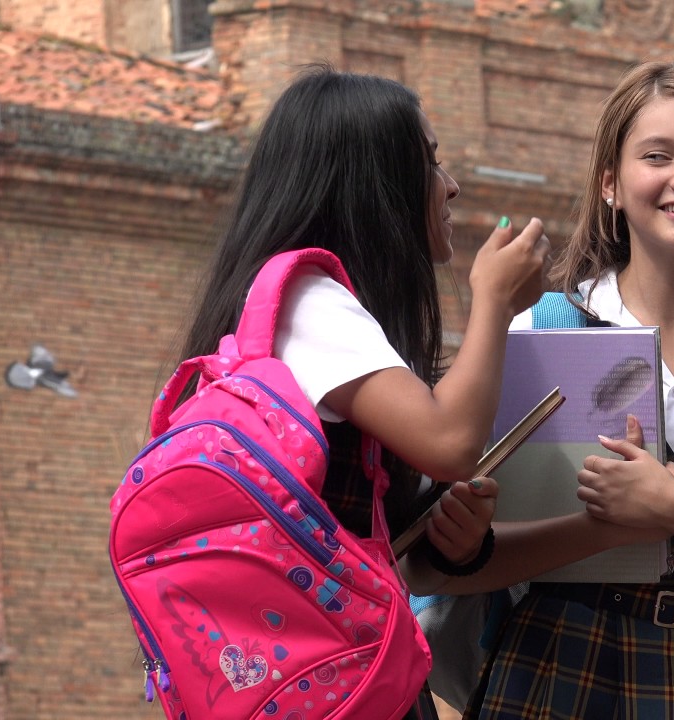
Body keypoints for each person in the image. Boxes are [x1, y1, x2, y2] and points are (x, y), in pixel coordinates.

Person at [401, 58, 674, 718]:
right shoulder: (537, 331)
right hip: (552, 669)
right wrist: (592, 530)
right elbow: (437, 565)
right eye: (657, 155)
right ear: (610, 184)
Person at [174, 65, 551, 718]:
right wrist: (493, 299)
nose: (451, 185)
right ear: (373, 184)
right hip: (334, 680)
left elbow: (377, 532)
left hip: (333, 675)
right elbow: (452, 442)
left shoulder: (296, 305)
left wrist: (455, 538)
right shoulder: (307, 302)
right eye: (429, 162)